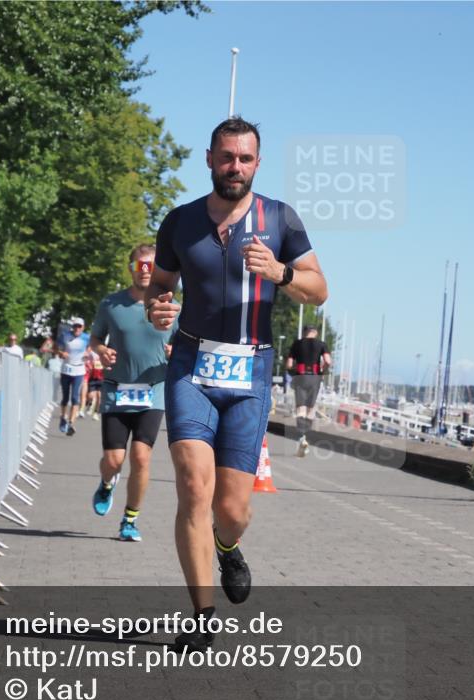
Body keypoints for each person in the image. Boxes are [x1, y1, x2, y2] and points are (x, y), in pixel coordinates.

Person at [147, 117, 328, 652]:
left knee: (233, 508)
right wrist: (159, 308)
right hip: (190, 366)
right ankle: (201, 617)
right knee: (192, 486)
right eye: (226, 157)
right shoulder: (179, 222)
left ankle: (229, 546)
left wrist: (280, 273)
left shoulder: (281, 220)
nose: (235, 167)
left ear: (257, 162)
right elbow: (160, 286)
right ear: (209, 159)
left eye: (245, 159)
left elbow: (319, 291)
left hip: (250, 372)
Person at [89, 244, 171, 542]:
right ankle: (107, 482)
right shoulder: (111, 304)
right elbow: (96, 336)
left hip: (154, 392)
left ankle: (130, 520)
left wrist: (178, 351)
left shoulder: (170, 306)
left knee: (141, 456)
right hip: (116, 391)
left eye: (151, 265)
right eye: (140, 265)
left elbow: (187, 344)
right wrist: (100, 350)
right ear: (131, 269)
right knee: (113, 460)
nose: (146, 270)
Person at [285, 325, 331, 457]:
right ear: (315, 333)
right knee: (311, 409)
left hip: (300, 376)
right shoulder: (322, 344)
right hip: (315, 377)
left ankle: (301, 437)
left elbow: (289, 364)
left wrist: (292, 371)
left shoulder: (297, 344)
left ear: (304, 332)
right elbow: (328, 361)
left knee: (301, 409)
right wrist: (323, 370)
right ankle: (307, 437)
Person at [56, 317, 89, 435]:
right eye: (75, 326)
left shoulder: (86, 338)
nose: (77, 329)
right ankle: (63, 417)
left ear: (83, 327)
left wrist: (87, 354)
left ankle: (71, 423)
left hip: (79, 370)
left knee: (75, 397)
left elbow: (90, 349)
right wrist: (61, 353)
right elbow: (57, 349)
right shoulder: (64, 335)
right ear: (72, 327)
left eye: (79, 326)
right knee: (65, 397)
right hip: (66, 369)